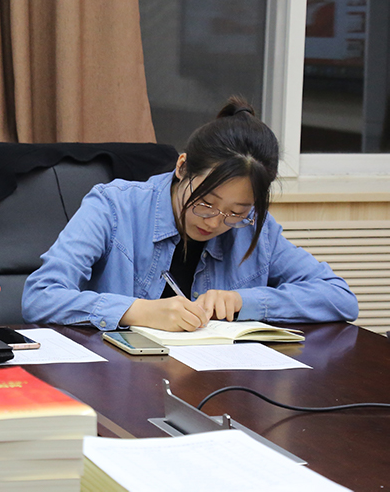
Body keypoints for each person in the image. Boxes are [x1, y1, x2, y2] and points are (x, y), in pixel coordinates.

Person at [21, 97, 359, 331]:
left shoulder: (255, 228)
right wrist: (137, 311)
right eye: (206, 202)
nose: (215, 221)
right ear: (182, 167)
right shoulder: (113, 207)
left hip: (216, 382)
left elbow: (339, 297)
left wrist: (244, 301)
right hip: (119, 381)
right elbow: (40, 296)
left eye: (235, 212)